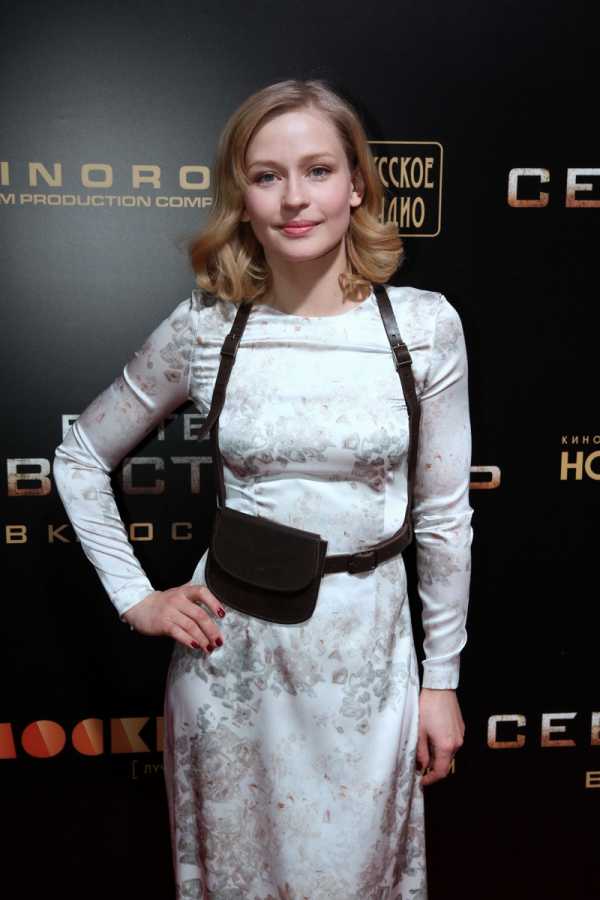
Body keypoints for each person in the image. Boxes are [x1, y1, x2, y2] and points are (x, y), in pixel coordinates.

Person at [53, 78, 473, 899]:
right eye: (267, 176)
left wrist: (442, 682)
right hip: (231, 668)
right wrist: (137, 598)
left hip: (367, 665)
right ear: (241, 198)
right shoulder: (205, 328)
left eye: (318, 170)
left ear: (357, 185)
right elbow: (79, 458)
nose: (294, 199)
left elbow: (444, 519)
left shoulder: (424, 328)